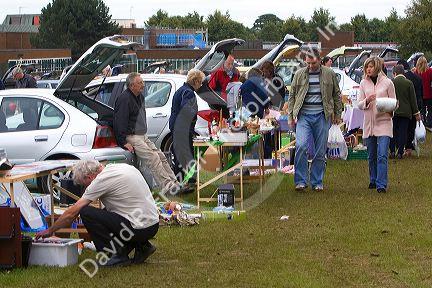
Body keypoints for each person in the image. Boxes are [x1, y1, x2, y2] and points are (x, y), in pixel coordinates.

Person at [35, 160, 159, 267]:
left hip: (138, 228)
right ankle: (143, 246)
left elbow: (72, 213)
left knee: (86, 212)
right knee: (106, 212)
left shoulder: (100, 180)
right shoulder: (122, 167)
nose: (85, 189)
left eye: (84, 185)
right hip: (152, 224)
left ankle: (114, 257)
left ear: (89, 177)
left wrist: (51, 230)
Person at [113, 72, 185, 195]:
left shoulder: (139, 96)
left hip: (142, 135)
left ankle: (175, 183)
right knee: (153, 158)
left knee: (161, 156)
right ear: (131, 85)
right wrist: (124, 142)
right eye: (140, 83)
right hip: (132, 136)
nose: (143, 85)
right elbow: (119, 122)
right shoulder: (124, 99)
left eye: (142, 82)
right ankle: (168, 187)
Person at [288, 47, 342, 191]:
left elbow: (337, 94)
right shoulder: (299, 74)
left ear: (319, 59)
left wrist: (337, 114)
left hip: (322, 116)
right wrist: (290, 116)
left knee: (320, 150)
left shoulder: (329, 74)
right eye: (308, 63)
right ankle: (300, 181)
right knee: (301, 146)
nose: (310, 66)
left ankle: (317, 181)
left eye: (313, 63)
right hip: (303, 116)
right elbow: (292, 96)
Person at [357, 57, 396, 193]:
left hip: (384, 122)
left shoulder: (388, 83)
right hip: (369, 124)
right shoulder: (363, 83)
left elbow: (394, 103)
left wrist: (385, 105)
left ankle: (381, 184)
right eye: (367, 67)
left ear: (377, 67)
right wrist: (367, 100)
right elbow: (359, 104)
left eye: (371, 66)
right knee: (371, 155)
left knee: (382, 155)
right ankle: (373, 179)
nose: (368, 69)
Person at [169, 69, 205, 186]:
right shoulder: (188, 92)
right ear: (195, 81)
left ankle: (182, 181)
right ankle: (186, 182)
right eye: (200, 82)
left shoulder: (181, 90)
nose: (201, 85)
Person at [389, 65, 421, 159]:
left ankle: (392, 151)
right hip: (406, 112)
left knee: (393, 132)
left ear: (394, 73)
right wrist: (416, 113)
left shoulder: (392, 82)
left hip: (394, 111)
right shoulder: (409, 83)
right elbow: (413, 100)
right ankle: (400, 152)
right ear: (403, 73)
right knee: (403, 132)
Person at [397, 59, 423, 156]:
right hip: (416, 106)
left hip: (404, 107)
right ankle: (408, 148)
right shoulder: (418, 78)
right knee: (411, 128)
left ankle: (402, 147)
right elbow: (421, 93)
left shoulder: (402, 78)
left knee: (402, 129)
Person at [414, 56, 432, 131]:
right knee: (430, 109)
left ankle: (422, 122)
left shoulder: (416, 72)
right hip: (429, 93)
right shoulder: (430, 71)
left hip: (420, 94)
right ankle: (429, 123)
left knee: (422, 110)